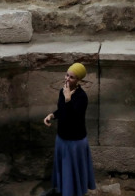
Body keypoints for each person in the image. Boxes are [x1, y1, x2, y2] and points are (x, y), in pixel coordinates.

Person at [41, 62, 96, 196]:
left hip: (75, 141)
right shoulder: (63, 91)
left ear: (78, 80)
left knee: (73, 171)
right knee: (64, 171)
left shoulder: (82, 97)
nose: (67, 79)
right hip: (62, 138)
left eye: (71, 77)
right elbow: (62, 111)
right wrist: (52, 115)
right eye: (67, 75)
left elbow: (75, 118)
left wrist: (68, 98)